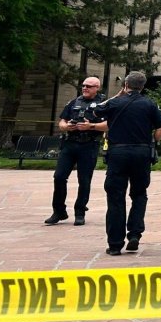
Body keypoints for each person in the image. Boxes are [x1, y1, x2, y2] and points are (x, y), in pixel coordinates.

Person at [92, 72, 161, 256]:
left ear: (126, 84)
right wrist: (153, 142)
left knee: (116, 197)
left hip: (118, 153)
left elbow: (95, 111)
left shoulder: (115, 103)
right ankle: (134, 233)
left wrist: (118, 95)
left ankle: (115, 244)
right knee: (139, 194)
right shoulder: (150, 104)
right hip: (141, 153)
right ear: (143, 86)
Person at [45, 76, 107, 226]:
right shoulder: (74, 102)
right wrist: (66, 127)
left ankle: (80, 212)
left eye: (89, 86)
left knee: (84, 180)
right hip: (70, 144)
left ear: (97, 88)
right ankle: (59, 211)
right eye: (84, 85)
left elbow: (108, 125)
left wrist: (91, 126)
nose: (85, 88)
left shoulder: (103, 105)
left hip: (89, 145)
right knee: (59, 177)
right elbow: (62, 121)